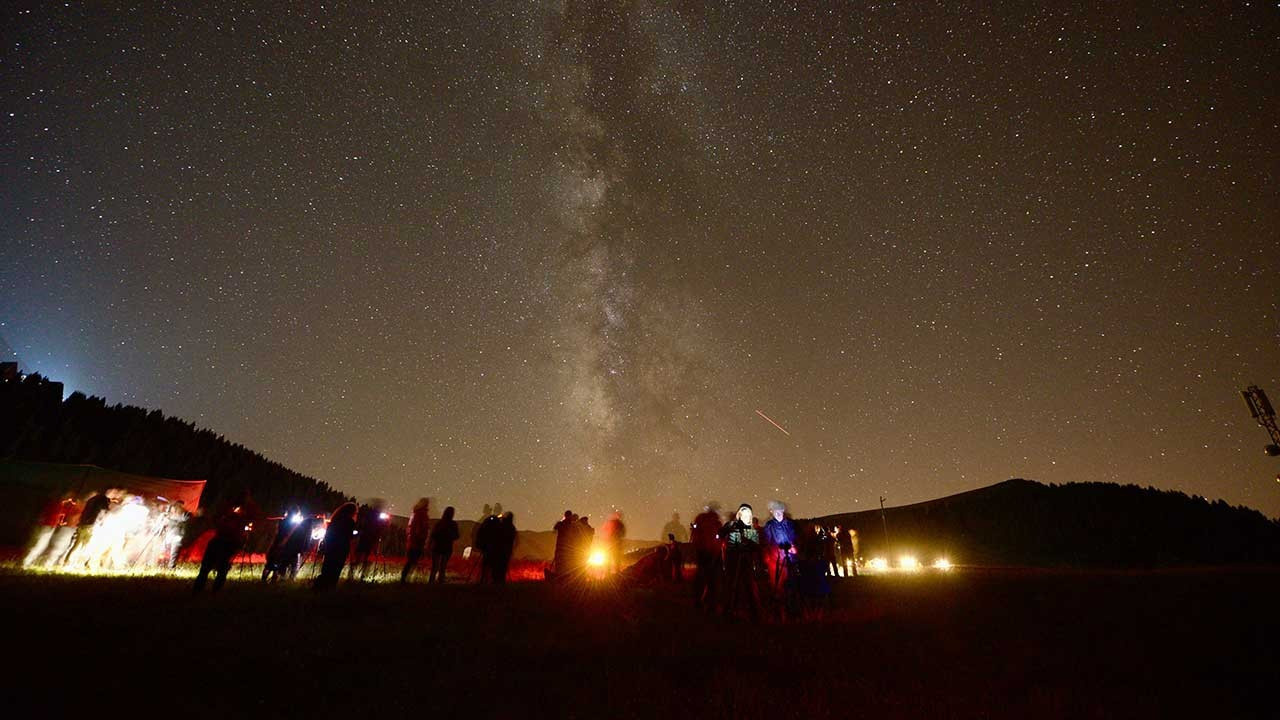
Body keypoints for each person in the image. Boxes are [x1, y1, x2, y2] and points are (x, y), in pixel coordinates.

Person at [193, 491, 260, 593]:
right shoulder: (227, 509)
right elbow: (216, 519)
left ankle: (215, 590)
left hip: (231, 541)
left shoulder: (245, 512)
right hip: (220, 538)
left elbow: (253, 519)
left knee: (222, 567)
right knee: (207, 565)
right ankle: (198, 588)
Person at [720, 503, 763, 620]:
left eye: (748, 514)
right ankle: (729, 609)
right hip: (733, 561)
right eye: (744, 514)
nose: (746, 516)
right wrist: (730, 526)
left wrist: (748, 542)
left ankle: (753, 612)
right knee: (732, 585)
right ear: (739, 514)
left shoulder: (752, 530)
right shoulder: (732, 525)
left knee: (749, 586)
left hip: (746, 562)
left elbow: (757, 547)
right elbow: (721, 533)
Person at [61, 489, 112, 567]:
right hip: (90, 525)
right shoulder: (102, 500)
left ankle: (67, 562)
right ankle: (75, 563)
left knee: (77, 544)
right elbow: (105, 510)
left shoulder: (92, 500)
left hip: (84, 524)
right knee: (85, 545)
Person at [315, 502, 357, 590]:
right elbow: (350, 536)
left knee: (327, 568)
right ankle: (329, 589)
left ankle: (320, 587)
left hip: (330, 546)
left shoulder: (335, 519)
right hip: (341, 548)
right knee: (336, 569)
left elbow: (328, 534)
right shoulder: (350, 522)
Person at [690, 503, 722, 609]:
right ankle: (710, 602)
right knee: (711, 577)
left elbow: (695, 532)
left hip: (703, 551)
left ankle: (699, 600)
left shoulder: (701, 518)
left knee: (702, 576)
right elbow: (718, 538)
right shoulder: (716, 522)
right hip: (711, 552)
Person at [762, 501, 799, 592]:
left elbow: (795, 538)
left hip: (790, 560)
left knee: (791, 584)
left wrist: (794, 548)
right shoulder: (769, 526)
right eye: (775, 510)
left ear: (783, 511)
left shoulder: (790, 524)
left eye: (780, 510)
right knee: (777, 584)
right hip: (775, 561)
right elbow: (766, 542)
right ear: (772, 512)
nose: (778, 513)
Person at [401, 498, 431, 583]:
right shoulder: (421, 514)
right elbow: (419, 527)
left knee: (412, 561)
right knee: (412, 560)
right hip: (417, 540)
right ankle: (405, 579)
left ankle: (406, 578)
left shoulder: (416, 513)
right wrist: (420, 537)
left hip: (414, 540)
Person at [428, 506, 459, 583]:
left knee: (434, 567)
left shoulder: (439, 523)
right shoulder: (453, 524)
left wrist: (429, 544)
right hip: (447, 547)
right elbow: (456, 536)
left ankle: (431, 582)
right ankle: (440, 581)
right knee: (443, 567)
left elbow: (433, 535)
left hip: (437, 547)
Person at [486, 512, 517, 584]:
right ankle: (500, 583)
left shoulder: (502, 526)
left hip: (499, 550)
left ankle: (496, 582)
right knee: (503, 568)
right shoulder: (512, 528)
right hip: (507, 551)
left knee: (497, 567)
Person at [552, 510, 578, 576]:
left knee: (561, 561)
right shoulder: (572, 525)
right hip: (567, 547)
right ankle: (565, 574)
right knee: (566, 561)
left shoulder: (562, 524)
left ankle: (560, 574)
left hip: (562, 546)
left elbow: (555, 529)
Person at [599, 510, 626, 575]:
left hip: (611, 543)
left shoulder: (615, 523)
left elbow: (604, 529)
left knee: (611, 559)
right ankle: (614, 573)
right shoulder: (619, 524)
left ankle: (610, 573)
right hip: (613, 543)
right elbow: (623, 533)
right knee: (613, 559)